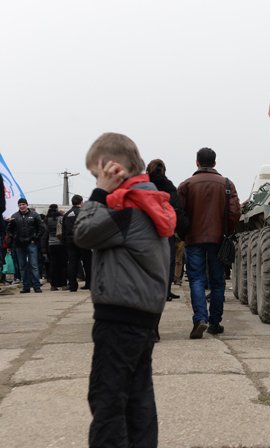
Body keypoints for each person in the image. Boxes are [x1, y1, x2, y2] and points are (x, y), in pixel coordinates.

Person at [74, 132, 175, 448]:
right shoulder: (150, 203)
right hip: (142, 317)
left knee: (107, 399)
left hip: (119, 318)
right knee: (136, 397)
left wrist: (98, 193)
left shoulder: (127, 211)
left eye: (97, 173)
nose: (97, 180)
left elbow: (82, 233)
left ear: (112, 170)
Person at [178, 147, 240, 338]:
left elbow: (179, 214)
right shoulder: (227, 184)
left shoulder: (186, 185)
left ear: (197, 162)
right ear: (214, 162)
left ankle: (200, 319)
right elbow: (235, 213)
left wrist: (184, 233)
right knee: (218, 281)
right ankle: (215, 322)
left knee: (196, 279)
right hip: (218, 239)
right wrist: (226, 232)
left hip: (193, 239)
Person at [146, 159, 181, 301]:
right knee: (168, 260)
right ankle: (166, 291)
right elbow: (176, 206)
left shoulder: (144, 185)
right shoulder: (168, 185)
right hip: (166, 228)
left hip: (147, 229)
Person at [7, 198, 43, 293]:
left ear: (27, 205)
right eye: (20, 205)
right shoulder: (14, 216)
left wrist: (35, 238)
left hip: (31, 244)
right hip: (19, 245)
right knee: (22, 266)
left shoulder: (35, 215)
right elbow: (9, 230)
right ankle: (26, 286)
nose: (22, 206)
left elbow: (41, 228)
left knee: (34, 265)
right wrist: (14, 238)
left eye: (23, 204)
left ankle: (36, 286)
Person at [62, 194, 92, 291]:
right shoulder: (85, 213)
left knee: (72, 263)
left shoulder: (66, 215)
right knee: (88, 263)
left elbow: (64, 231)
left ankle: (72, 286)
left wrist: (66, 242)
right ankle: (89, 283)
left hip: (71, 242)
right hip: (83, 241)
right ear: (81, 202)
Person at [42, 204, 67, 290]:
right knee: (63, 264)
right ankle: (64, 284)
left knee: (53, 264)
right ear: (56, 209)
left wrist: (44, 247)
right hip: (61, 243)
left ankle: (53, 285)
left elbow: (45, 233)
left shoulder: (46, 219)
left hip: (51, 244)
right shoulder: (61, 218)